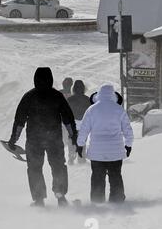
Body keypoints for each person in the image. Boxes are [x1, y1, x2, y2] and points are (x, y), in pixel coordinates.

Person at [9, 67, 78, 208]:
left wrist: (13, 139)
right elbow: (68, 118)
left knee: (34, 168)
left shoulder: (29, 96)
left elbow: (19, 120)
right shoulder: (56, 96)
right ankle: (60, 195)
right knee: (58, 166)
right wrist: (73, 135)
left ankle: (39, 199)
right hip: (54, 139)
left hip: (34, 140)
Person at [77, 84, 134, 204]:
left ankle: (98, 202)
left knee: (97, 177)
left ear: (99, 95)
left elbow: (84, 130)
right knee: (115, 177)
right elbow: (128, 130)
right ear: (113, 95)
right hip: (116, 153)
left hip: (97, 153)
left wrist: (80, 144)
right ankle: (117, 201)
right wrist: (128, 145)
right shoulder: (119, 109)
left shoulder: (92, 110)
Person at [67, 80, 91, 165]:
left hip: (72, 124)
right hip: (83, 124)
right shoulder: (87, 99)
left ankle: (71, 157)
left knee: (72, 141)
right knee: (82, 141)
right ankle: (81, 158)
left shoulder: (69, 99)